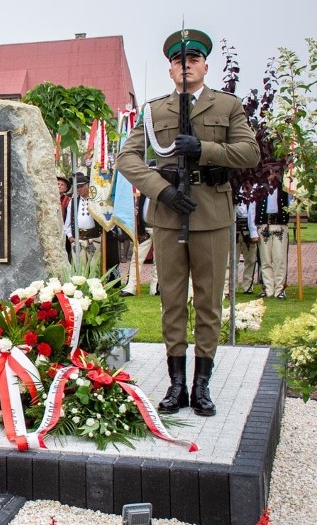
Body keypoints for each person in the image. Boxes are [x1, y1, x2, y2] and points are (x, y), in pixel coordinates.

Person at [115, 28, 259, 417]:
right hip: (168, 212)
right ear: (170, 69)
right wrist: (160, 190)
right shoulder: (153, 111)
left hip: (210, 213)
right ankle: (176, 384)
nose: (186, 66)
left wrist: (206, 148)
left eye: (193, 59)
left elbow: (250, 152)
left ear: (205, 65)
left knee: (209, 303)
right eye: (179, 60)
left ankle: (202, 385)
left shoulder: (226, 105)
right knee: (172, 302)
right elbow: (126, 159)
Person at [255, 172, 290, 299]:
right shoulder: (259, 187)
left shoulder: (285, 187)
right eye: (268, 171)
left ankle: (279, 289)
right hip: (264, 225)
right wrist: (254, 230)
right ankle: (268, 289)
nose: (271, 174)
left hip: (280, 225)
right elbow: (253, 208)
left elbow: (292, 202)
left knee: (279, 258)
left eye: (274, 171)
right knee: (265, 259)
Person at [121, 192, 159, 296]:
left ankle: (155, 287)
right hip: (144, 231)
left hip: (159, 229)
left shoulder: (160, 192)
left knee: (159, 260)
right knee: (136, 259)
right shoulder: (143, 194)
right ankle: (131, 287)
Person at [63, 173, 102, 270]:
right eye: (76, 187)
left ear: (87, 185)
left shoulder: (96, 200)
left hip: (93, 239)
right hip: (78, 239)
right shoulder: (73, 201)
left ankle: (94, 285)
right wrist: (70, 236)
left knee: (94, 266)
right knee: (79, 267)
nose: (78, 189)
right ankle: (81, 285)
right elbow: (68, 221)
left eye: (80, 187)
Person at [224, 198, 258, 297]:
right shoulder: (234, 191)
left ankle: (248, 286)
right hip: (234, 229)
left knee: (251, 260)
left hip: (250, 230)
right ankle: (230, 287)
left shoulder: (254, 191)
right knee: (231, 261)